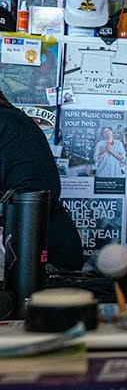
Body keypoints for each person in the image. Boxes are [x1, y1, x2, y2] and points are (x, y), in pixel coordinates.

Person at [0, 90, 83, 271]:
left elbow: (32, 191)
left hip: (39, 259)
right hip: (40, 249)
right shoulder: (12, 120)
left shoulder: (9, 123)